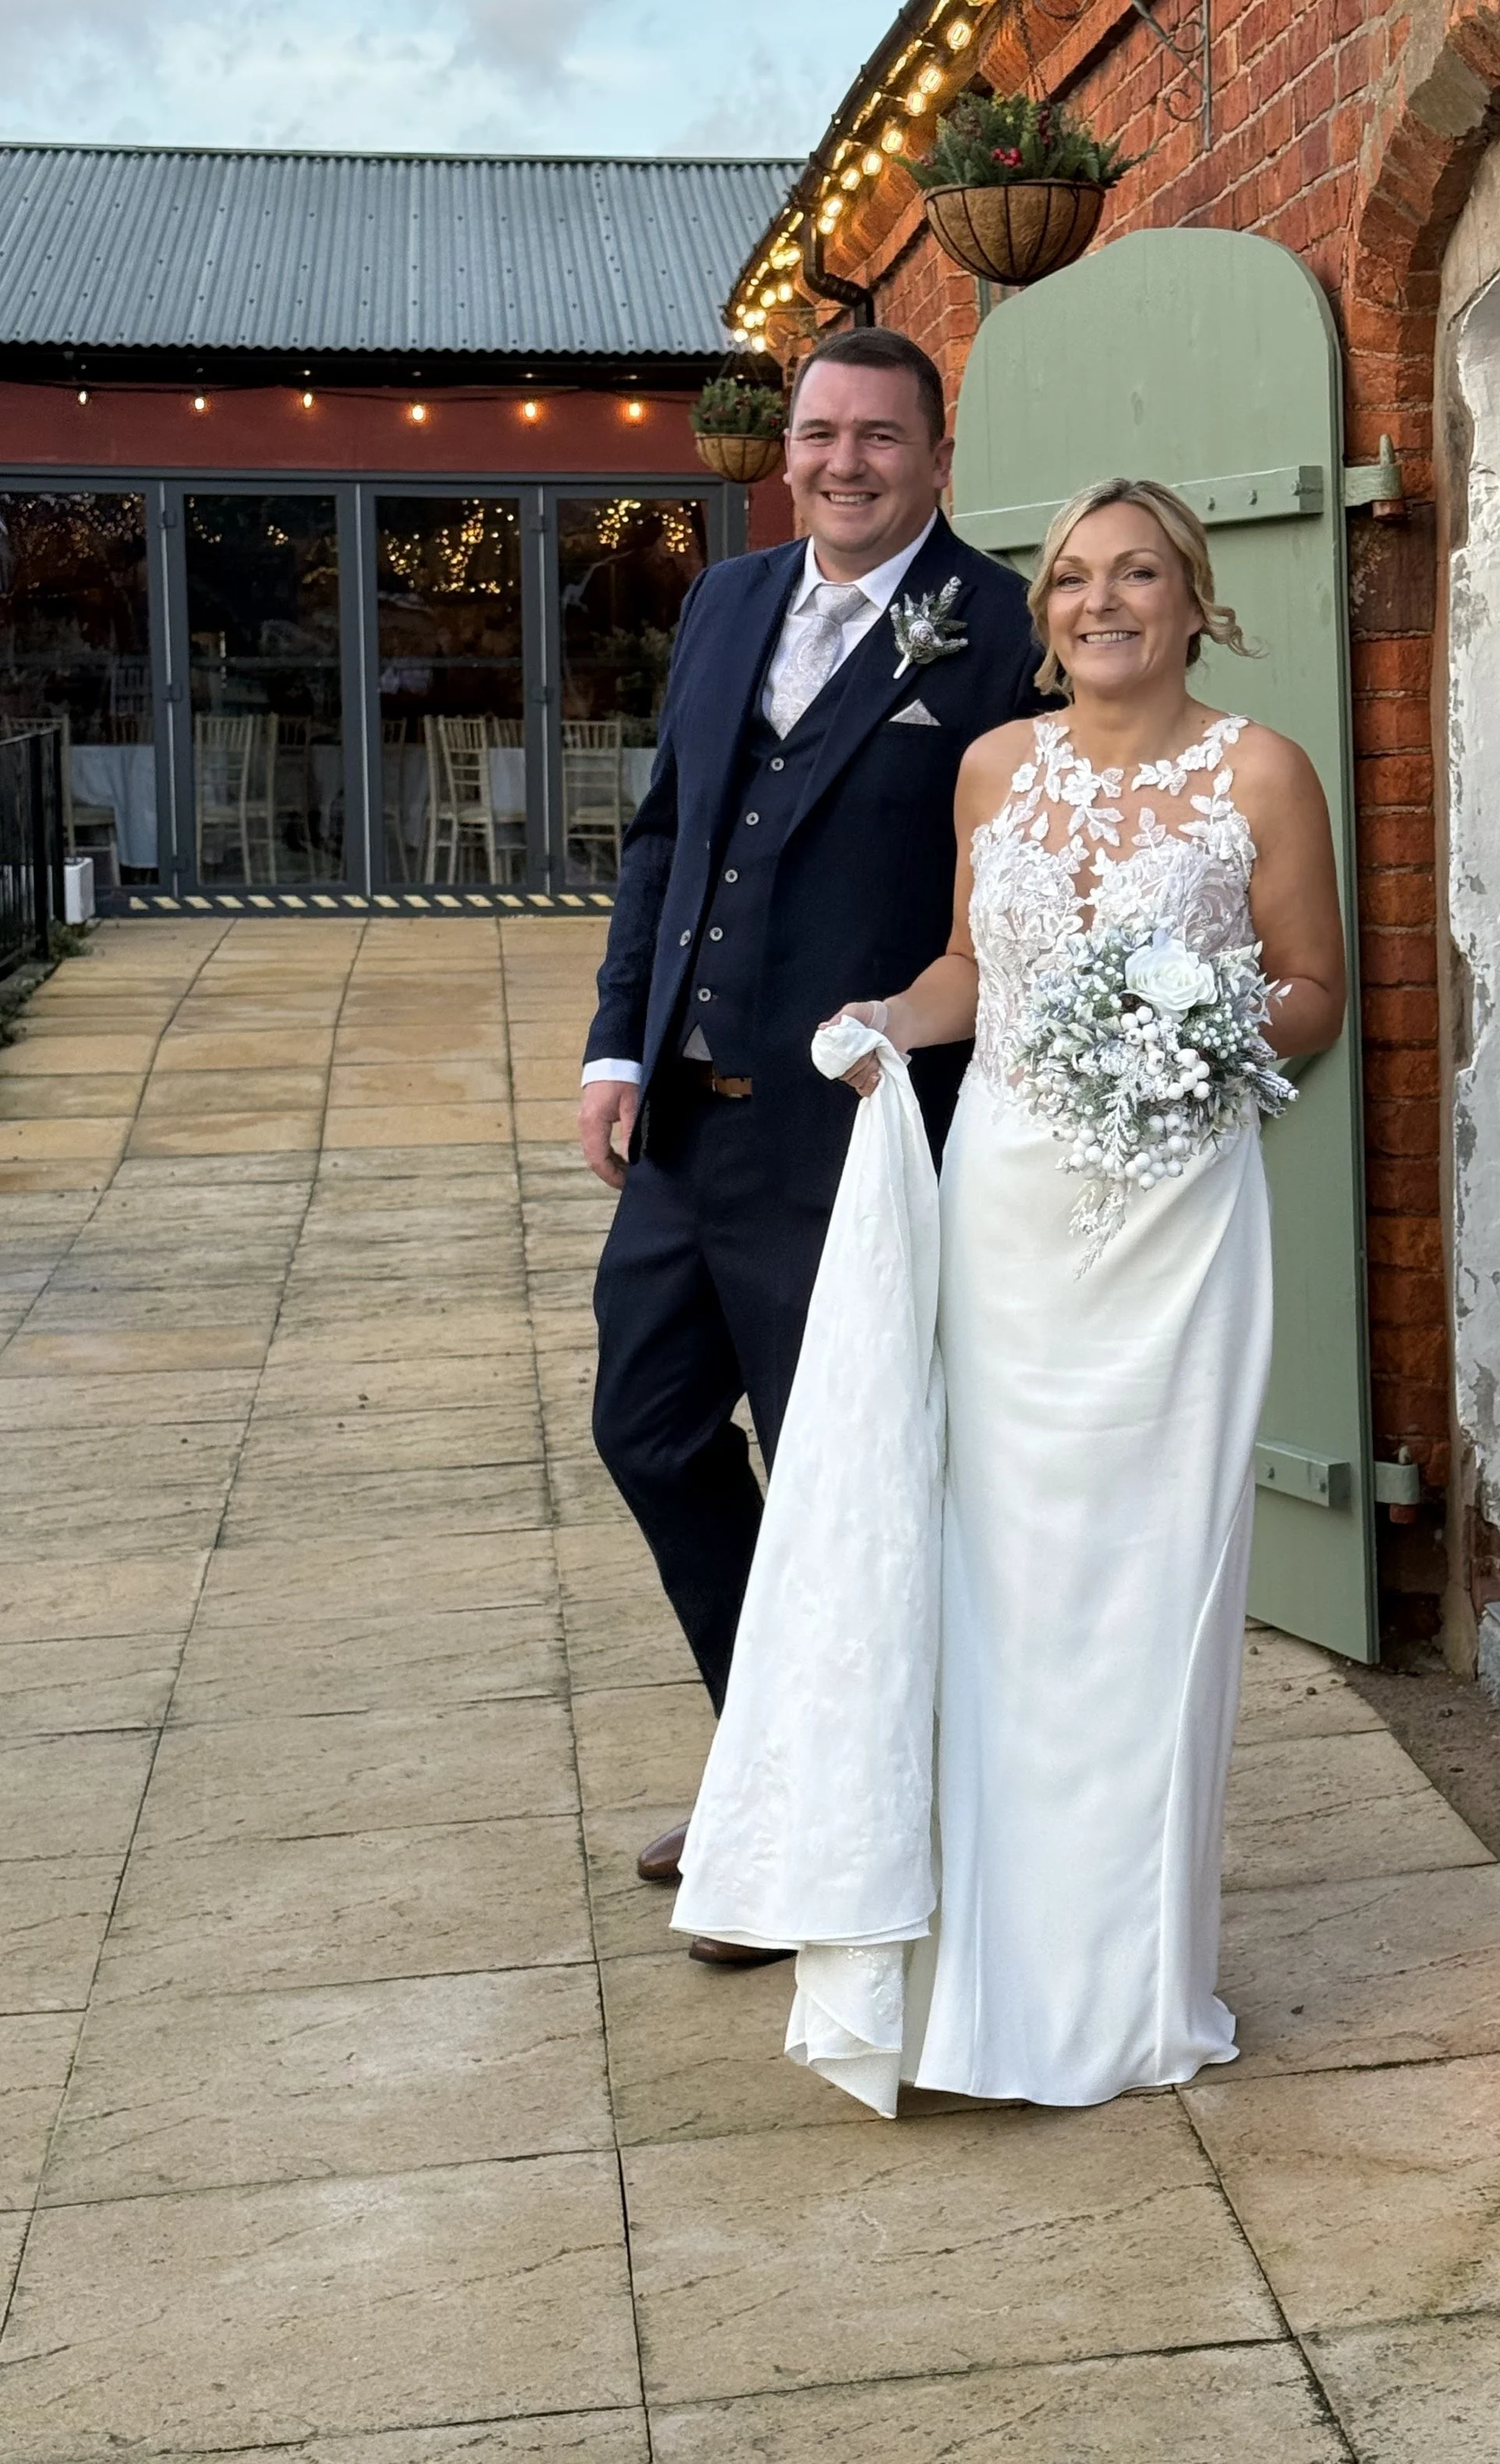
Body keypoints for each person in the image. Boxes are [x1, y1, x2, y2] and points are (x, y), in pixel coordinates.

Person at [692, 474, 1348, 2106]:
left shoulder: (1258, 769)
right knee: (991, 1584)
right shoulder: (994, 766)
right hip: (1005, 1214)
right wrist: (886, 1024)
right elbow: (972, 970)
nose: (1096, 602)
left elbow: (1314, 989)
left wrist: (1206, 1042)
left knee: (1145, 1592)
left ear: (1195, 599)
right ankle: (979, 1969)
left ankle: (1127, 1982)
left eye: (1135, 575)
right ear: (1043, 611)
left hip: (1175, 1225)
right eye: (1068, 579)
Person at [580, 327, 1042, 1960]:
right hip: (684, 1135)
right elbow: (663, 846)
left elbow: (1026, 896)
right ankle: (771, 1756)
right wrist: (613, 1044)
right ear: (787, 444)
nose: (842, 461)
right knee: (644, 1430)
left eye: (878, 437)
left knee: (847, 1482)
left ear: (934, 453)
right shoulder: (723, 602)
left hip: (854, 1141)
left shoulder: (999, 632)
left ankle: (814, 1837)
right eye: (818, 431)